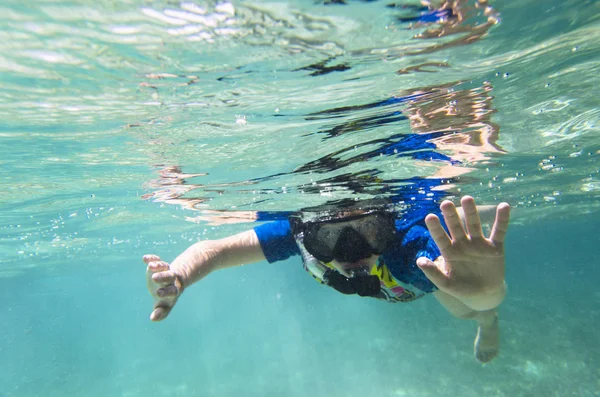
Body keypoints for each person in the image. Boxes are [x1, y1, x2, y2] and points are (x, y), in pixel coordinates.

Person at [143, 195, 510, 363]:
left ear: (388, 227)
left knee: (462, 306)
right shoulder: (294, 233)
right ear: (307, 235)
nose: (352, 250)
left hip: (415, 286)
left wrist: (487, 295)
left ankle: (487, 323)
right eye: (329, 237)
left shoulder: (411, 248)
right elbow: (216, 249)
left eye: (368, 229)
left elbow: (471, 285)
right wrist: (180, 276)